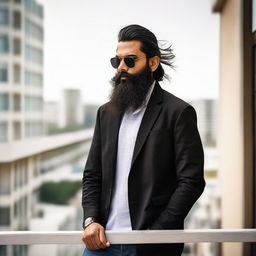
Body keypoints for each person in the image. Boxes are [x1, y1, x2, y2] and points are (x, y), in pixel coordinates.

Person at [81, 24, 205, 256]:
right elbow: (92, 174)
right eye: (116, 61)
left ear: (153, 63)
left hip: (152, 247)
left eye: (130, 60)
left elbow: (191, 181)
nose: (121, 68)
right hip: (101, 244)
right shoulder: (105, 113)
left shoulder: (178, 112)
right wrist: (90, 220)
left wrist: (155, 233)